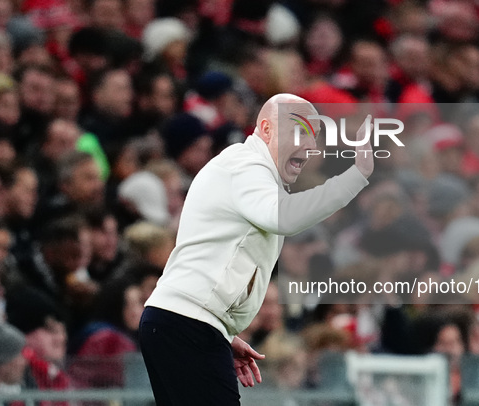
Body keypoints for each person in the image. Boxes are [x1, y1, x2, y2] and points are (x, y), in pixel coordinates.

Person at [139, 93, 373, 405]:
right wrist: (355, 177)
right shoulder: (246, 165)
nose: (308, 145)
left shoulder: (245, 170)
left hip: (186, 322)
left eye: (312, 136)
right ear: (265, 128)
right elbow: (284, 216)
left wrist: (223, 333)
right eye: (299, 130)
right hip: (188, 324)